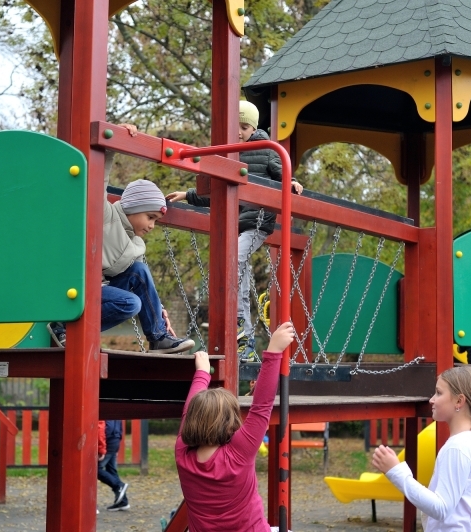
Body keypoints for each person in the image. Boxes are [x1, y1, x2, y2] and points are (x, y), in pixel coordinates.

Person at [166, 101, 303, 362]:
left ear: (253, 127)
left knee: (234, 261)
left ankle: (240, 324)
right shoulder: (230, 155)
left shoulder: (265, 150)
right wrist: (187, 195)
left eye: (244, 127)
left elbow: (280, 171)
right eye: (235, 127)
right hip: (239, 225)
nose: (239, 132)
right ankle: (245, 334)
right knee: (236, 268)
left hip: (258, 223)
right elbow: (218, 192)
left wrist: (292, 182)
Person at [49, 124, 194, 354]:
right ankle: (63, 326)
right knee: (130, 303)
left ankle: (158, 337)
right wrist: (110, 145)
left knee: (139, 271)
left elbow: (144, 285)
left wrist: (159, 311)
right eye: (150, 217)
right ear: (134, 208)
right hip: (74, 290)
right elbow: (97, 182)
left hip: (97, 290)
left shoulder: (135, 245)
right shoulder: (104, 214)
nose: (151, 225)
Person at [175, 321, 295, 531]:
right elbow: (262, 406)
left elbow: (189, 410)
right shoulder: (238, 454)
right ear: (230, 424)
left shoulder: (183, 454)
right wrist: (274, 350)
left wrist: (202, 373)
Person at [372, 365, 471, 532]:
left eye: (439, 393)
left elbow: (441, 508)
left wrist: (396, 472)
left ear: (459, 401)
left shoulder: (458, 447)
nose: (432, 399)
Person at [98, 420, 130, 511]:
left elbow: (103, 428)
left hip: (107, 441)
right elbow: (119, 426)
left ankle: (118, 486)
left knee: (95, 470)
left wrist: (101, 449)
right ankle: (123, 502)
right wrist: (117, 441)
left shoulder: (104, 408)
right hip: (115, 440)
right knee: (111, 471)